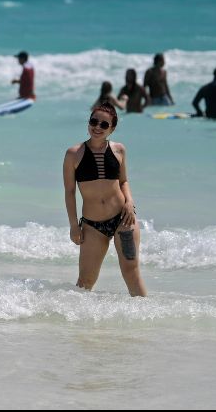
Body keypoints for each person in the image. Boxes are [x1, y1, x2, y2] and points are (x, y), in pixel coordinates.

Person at [62, 102, 147, 297]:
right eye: (94, 121)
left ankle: (146, 324)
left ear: (112, 128)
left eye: (104, 124)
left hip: (123, 220)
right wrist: (74, 225)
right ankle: (78, 326)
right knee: (85, 281)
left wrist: (129, 202)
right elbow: (69, 192)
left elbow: (124, 181)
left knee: (131, 272)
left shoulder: (119, 150)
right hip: (92, 226)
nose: (97, 127)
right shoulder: (73, 154)